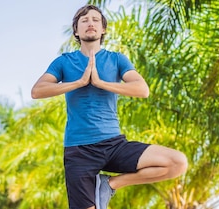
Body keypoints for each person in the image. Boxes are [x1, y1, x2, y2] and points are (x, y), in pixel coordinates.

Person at [31, 4, 188, 209]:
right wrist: (79, 82)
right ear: (76, 31)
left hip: (114, 145)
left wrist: (100, 83)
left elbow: (142, 89)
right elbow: (37, 91)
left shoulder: (116, 59)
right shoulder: (64, 62)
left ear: (103, 29)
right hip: (79, 151)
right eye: (84, 20)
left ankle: (110, 184)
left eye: (96, 20)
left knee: (177, 163)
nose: (90, 24)